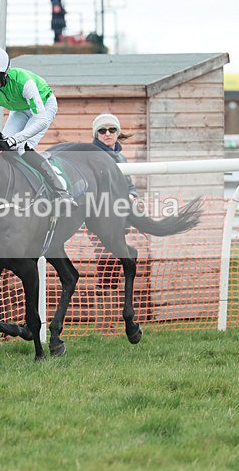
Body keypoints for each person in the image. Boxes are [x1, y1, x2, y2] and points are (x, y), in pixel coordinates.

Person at [0, 45, 76, 207]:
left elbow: (40, 120)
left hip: (43, 108)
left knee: (23, 147)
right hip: (19, 111)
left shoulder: (24, 82)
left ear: (4, 74)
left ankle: (61, 192)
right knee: (5, 149)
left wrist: (15, 139)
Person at [89, 113, 140, 335]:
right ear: (96, 135)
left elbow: (130, 186)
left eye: (112, 130)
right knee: (106, 264)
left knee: (117, 265)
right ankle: (104, 322)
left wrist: (132, 197)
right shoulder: (91, 156)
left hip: (119, 217)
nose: (107, 134)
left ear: (118, 132)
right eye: (102, 131)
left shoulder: (122, 158)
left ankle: (110, 321)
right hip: (98, 218)